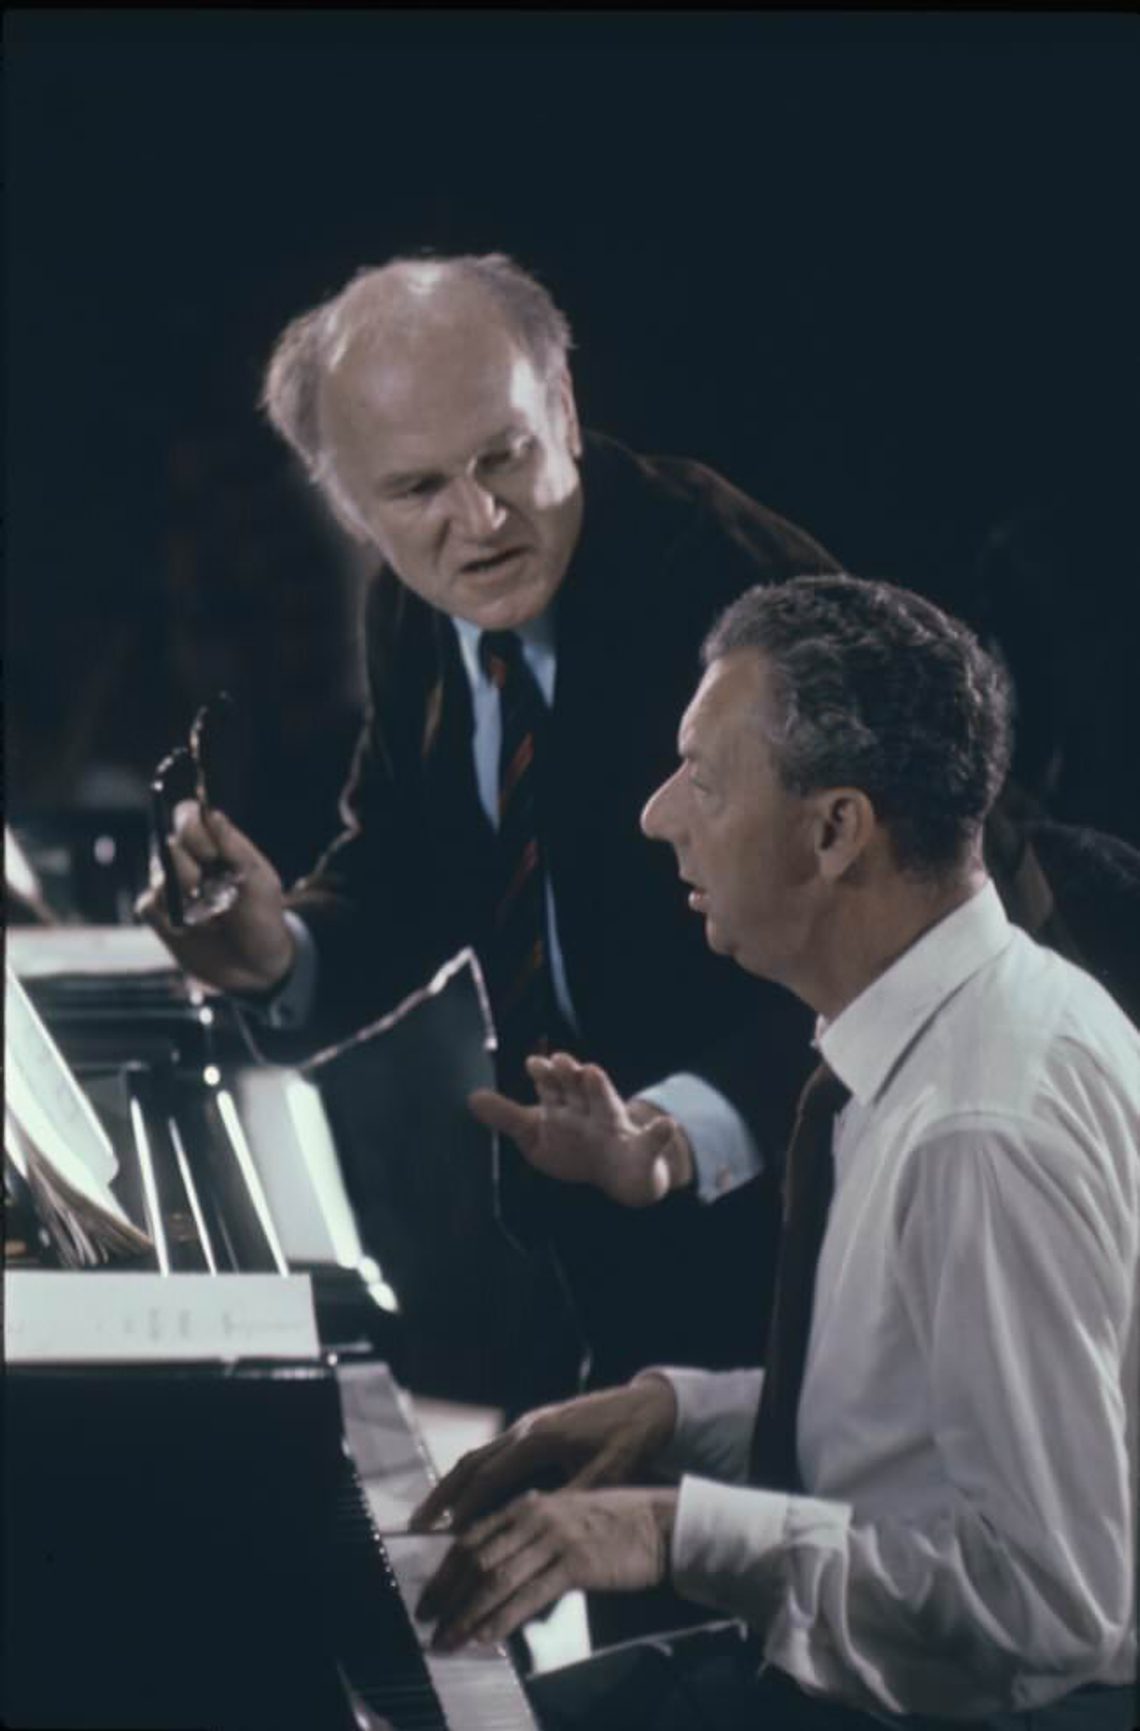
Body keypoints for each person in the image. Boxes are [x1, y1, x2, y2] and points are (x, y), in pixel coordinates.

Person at [409, 575, 1139, 1729]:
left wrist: (664, 1528)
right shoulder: (948, 1027)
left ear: (837, 828)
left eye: (703, 778)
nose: (657, 815)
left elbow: (1052, 1604)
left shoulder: (978, 1132)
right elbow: (912, 1435)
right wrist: (674, 1414)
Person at [139, 252, 840, 1403]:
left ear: (562, 409)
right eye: (415, 492)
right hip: (596, 1241)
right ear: (346, 503)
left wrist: (673, 1136)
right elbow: (414, 866)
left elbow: (916, 929)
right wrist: (280, 954)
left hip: (806, 1230)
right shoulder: (412, 603)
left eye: (503, 456)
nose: (478, 521)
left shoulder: (733, 596)